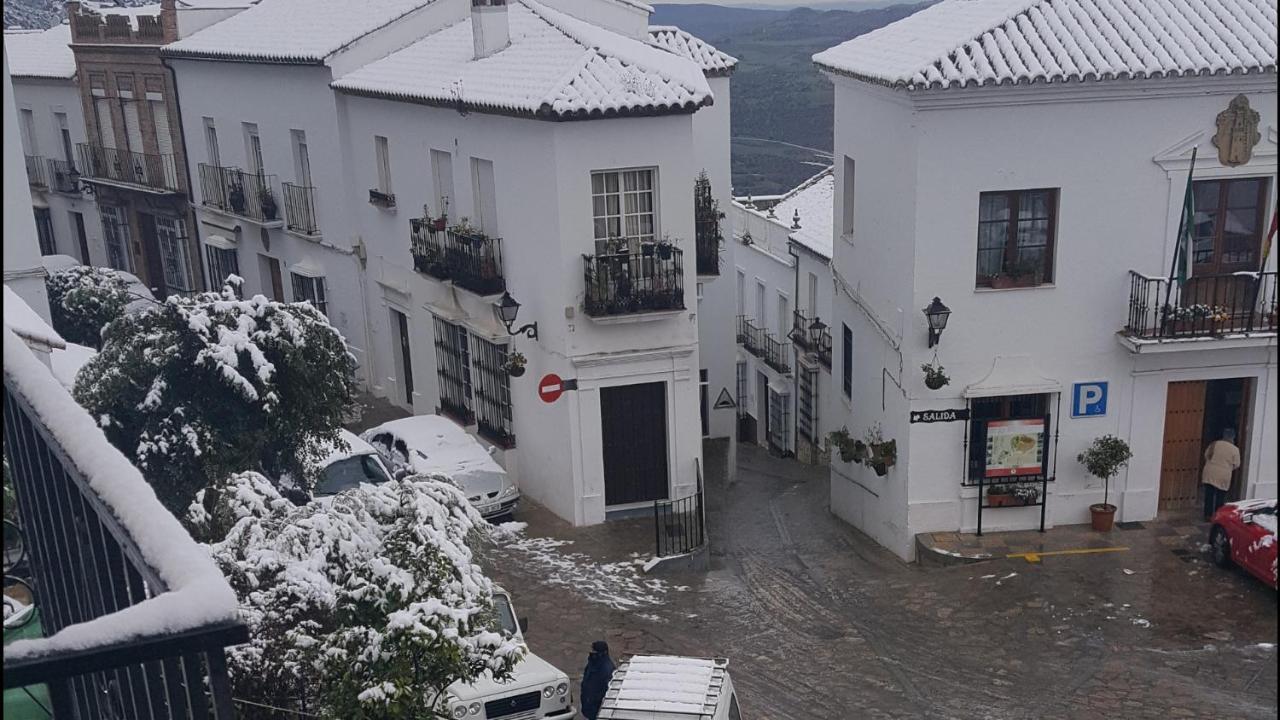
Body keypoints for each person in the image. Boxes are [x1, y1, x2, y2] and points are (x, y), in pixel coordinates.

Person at [1202, 428, 1241, 520]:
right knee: (1220, 496)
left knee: (1209, 495)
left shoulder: (1214, 444)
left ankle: (1207, 516)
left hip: (1209, 472)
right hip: (1223, 475)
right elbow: (1237, 464)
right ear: (1233, 438)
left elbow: (1206, 455)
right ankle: (1218, 517)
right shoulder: (1235, 449)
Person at [579, 640, 615, 720]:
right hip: (588, 706)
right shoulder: (593, 662)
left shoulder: (607, 669)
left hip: (596, 709)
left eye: (595, 650)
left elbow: (607, 692)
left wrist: (594, 700)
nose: (592, 652)